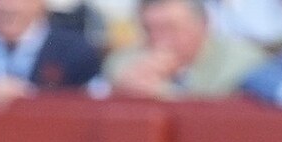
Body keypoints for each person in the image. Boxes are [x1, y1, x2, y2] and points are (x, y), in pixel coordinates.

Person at [106, 0, 267, 97]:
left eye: (170, 28)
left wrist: (168, 96)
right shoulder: (126, 61)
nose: (159, 40)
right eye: (149, 29)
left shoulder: (241, 62)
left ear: (204, 25)